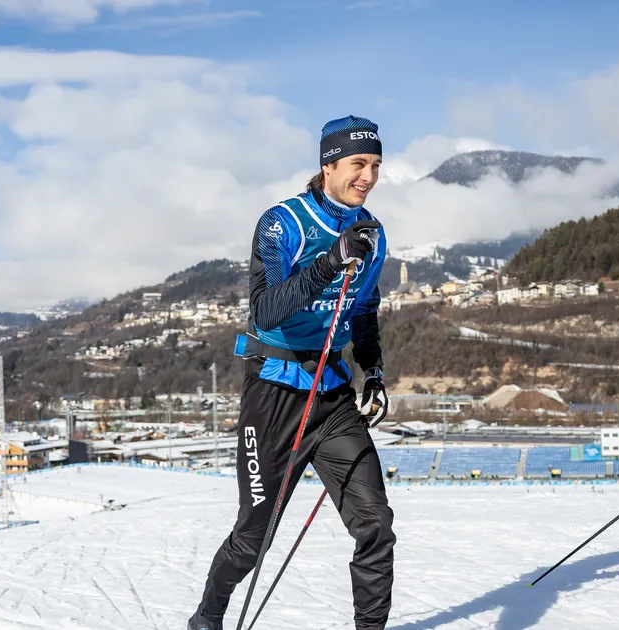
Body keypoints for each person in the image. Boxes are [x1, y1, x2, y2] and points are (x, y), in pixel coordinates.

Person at [188, 115, 394, 630]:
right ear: (328, 165)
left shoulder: (373, 233)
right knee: (252, 538)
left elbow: (363, 310)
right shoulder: (283, 223)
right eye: (357, 164)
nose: (367, 177)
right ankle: (206, 621)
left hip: (331, 399)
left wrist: (373, 374)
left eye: (374, 166)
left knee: (376, 526)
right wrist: (328, 263)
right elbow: (266, 310)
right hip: (274, 395)